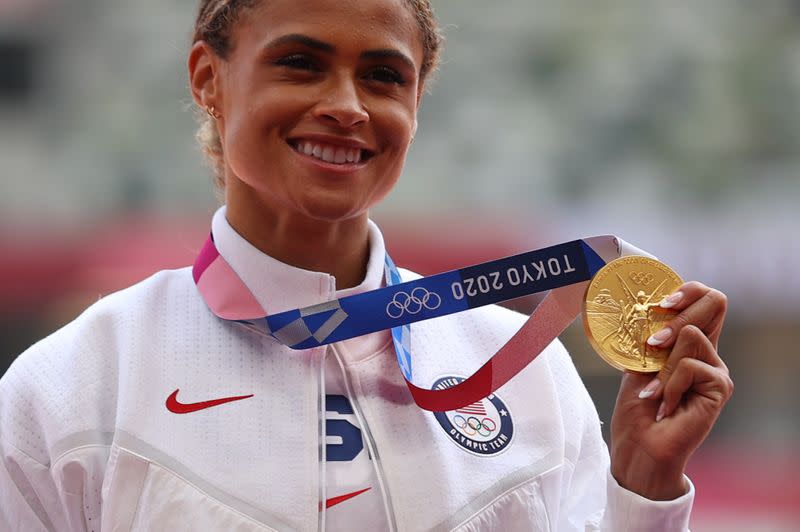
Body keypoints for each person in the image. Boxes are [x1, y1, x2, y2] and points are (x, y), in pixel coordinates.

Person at [0, 0, 733, 530]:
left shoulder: (523, 368)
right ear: (208, 79)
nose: (347, 106)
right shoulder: (74, 385)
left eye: (383, 76)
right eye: (300, 63)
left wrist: (644, 488)